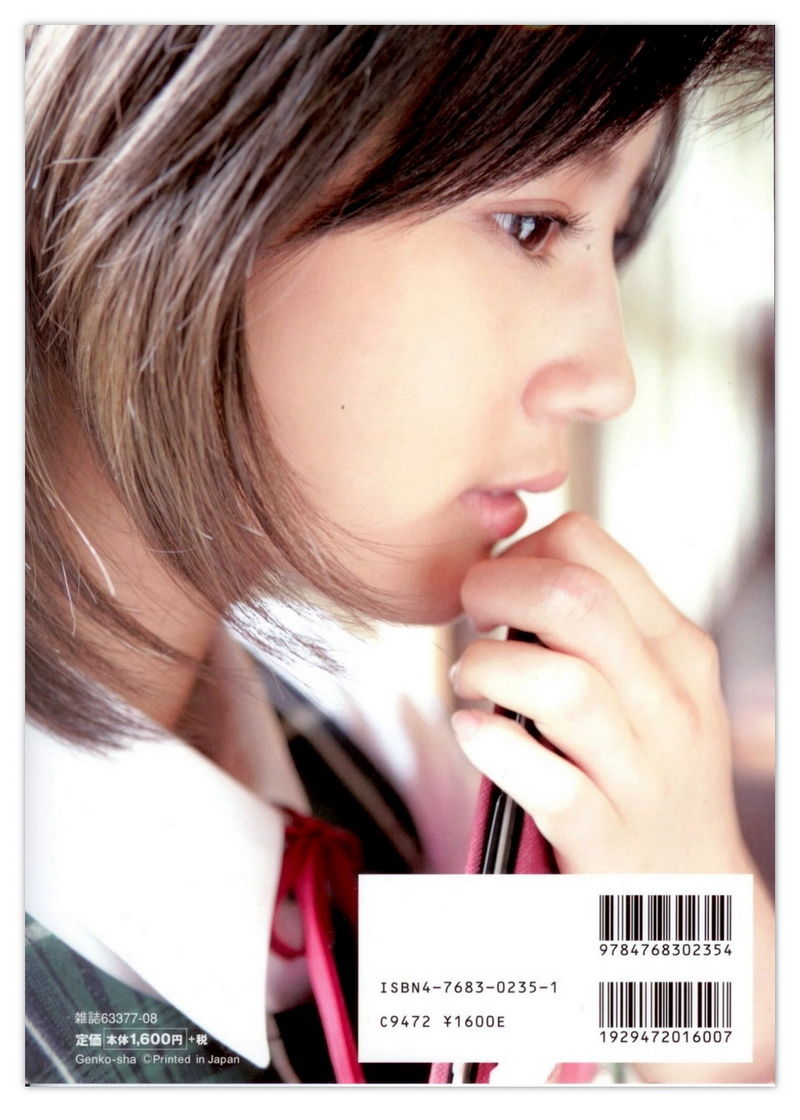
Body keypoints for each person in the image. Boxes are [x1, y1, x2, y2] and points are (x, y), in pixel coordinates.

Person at [25, 24, 774, 1085]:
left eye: (610, 243)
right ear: (201, 155)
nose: (609, 380)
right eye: (530, 223)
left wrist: (683, 917)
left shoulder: (391, 776)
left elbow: (711, 1039)